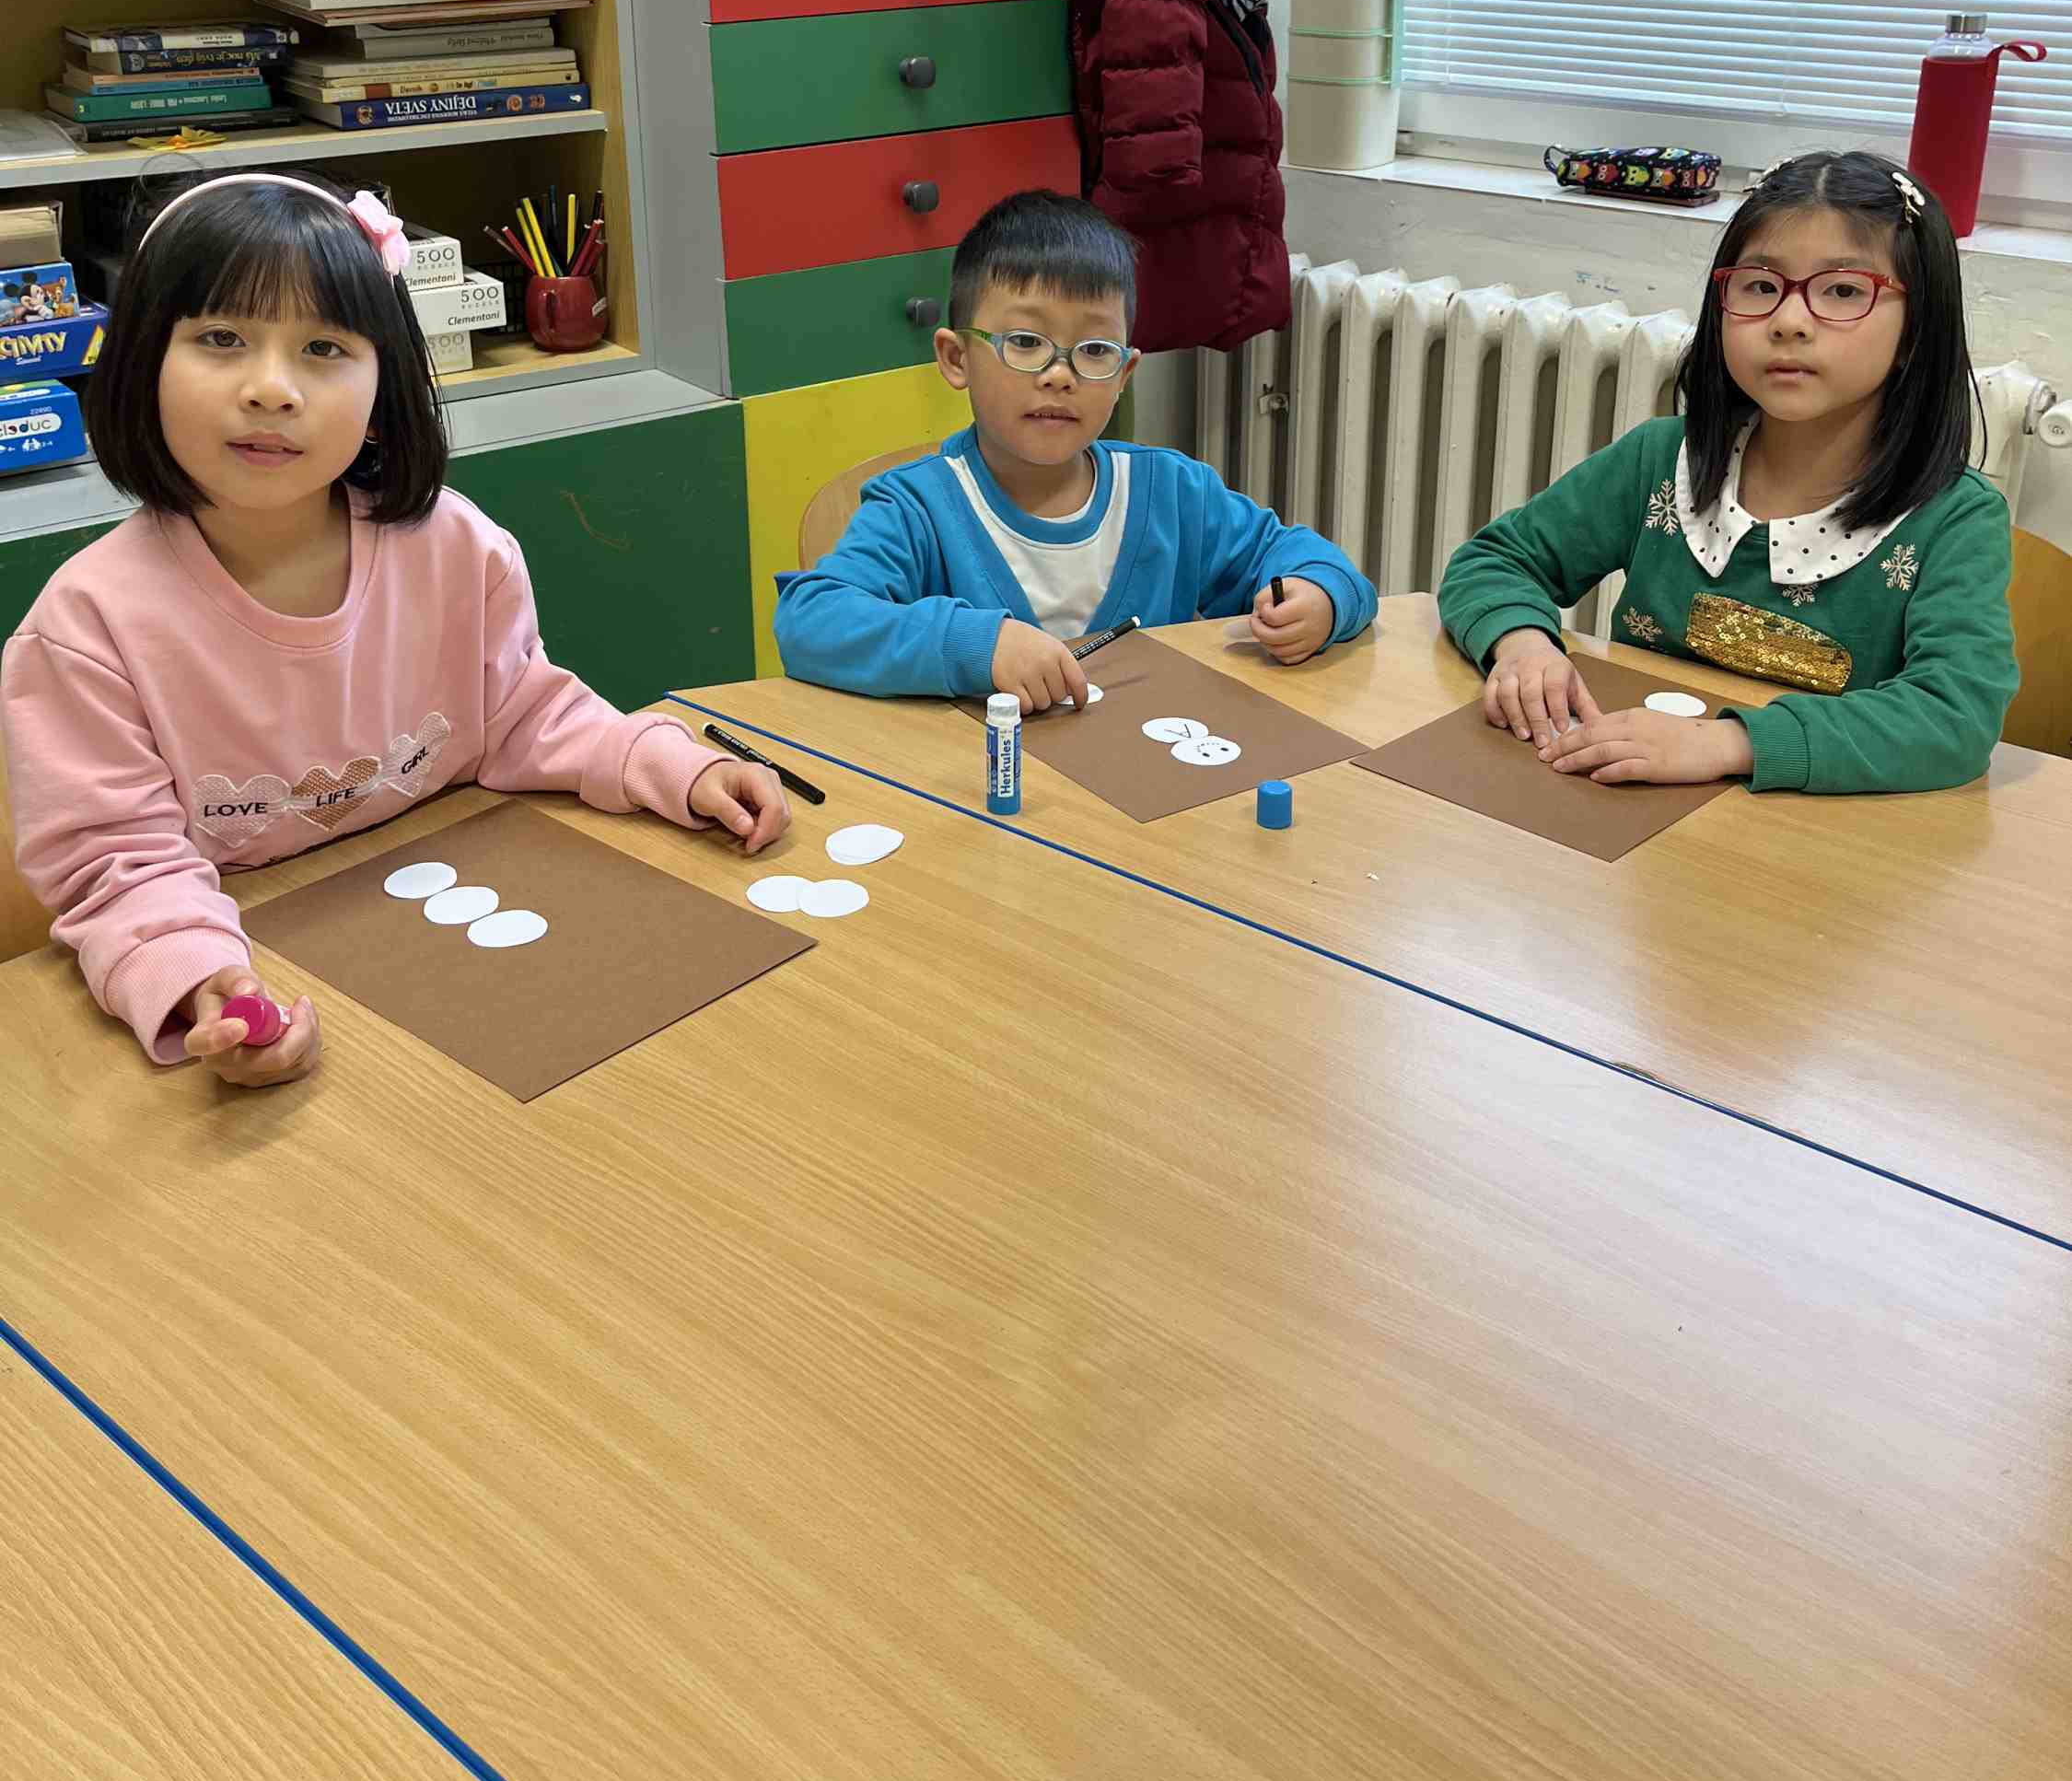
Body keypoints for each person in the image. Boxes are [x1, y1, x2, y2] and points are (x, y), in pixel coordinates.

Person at [1, 170, 786, 1087]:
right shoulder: (88, 627)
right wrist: (201, 987)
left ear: (386, 384)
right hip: (260, 955)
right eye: (220, 338)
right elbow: (117, 867)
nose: (271, 389)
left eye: (324, 348)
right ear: (142, 359)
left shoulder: (454, 548)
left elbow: (525, 716)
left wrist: (678, 767)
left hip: (449, 962)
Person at [1438, 151, 2020, 793]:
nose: (1789, 322)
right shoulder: (1660, 462)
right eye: (1760, 287)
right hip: (1627, 812)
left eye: (1844, 291)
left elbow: (1954, 717)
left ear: (1916, 330)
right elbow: (1495, 561)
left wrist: (1728, 744)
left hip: (1824, 835)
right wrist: (1522, 643)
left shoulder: (1955, 519)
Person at [774, 190, 1377, 707]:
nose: (1060, 374)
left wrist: (1321, 598)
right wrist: (978, 646)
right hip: (980, 787)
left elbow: (1304, 560)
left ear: (1124, 375)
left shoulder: (1172, 493)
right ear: (957, 359)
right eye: (1025, 342)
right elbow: (810, 622)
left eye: (1093, 351)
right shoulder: (919, 506)